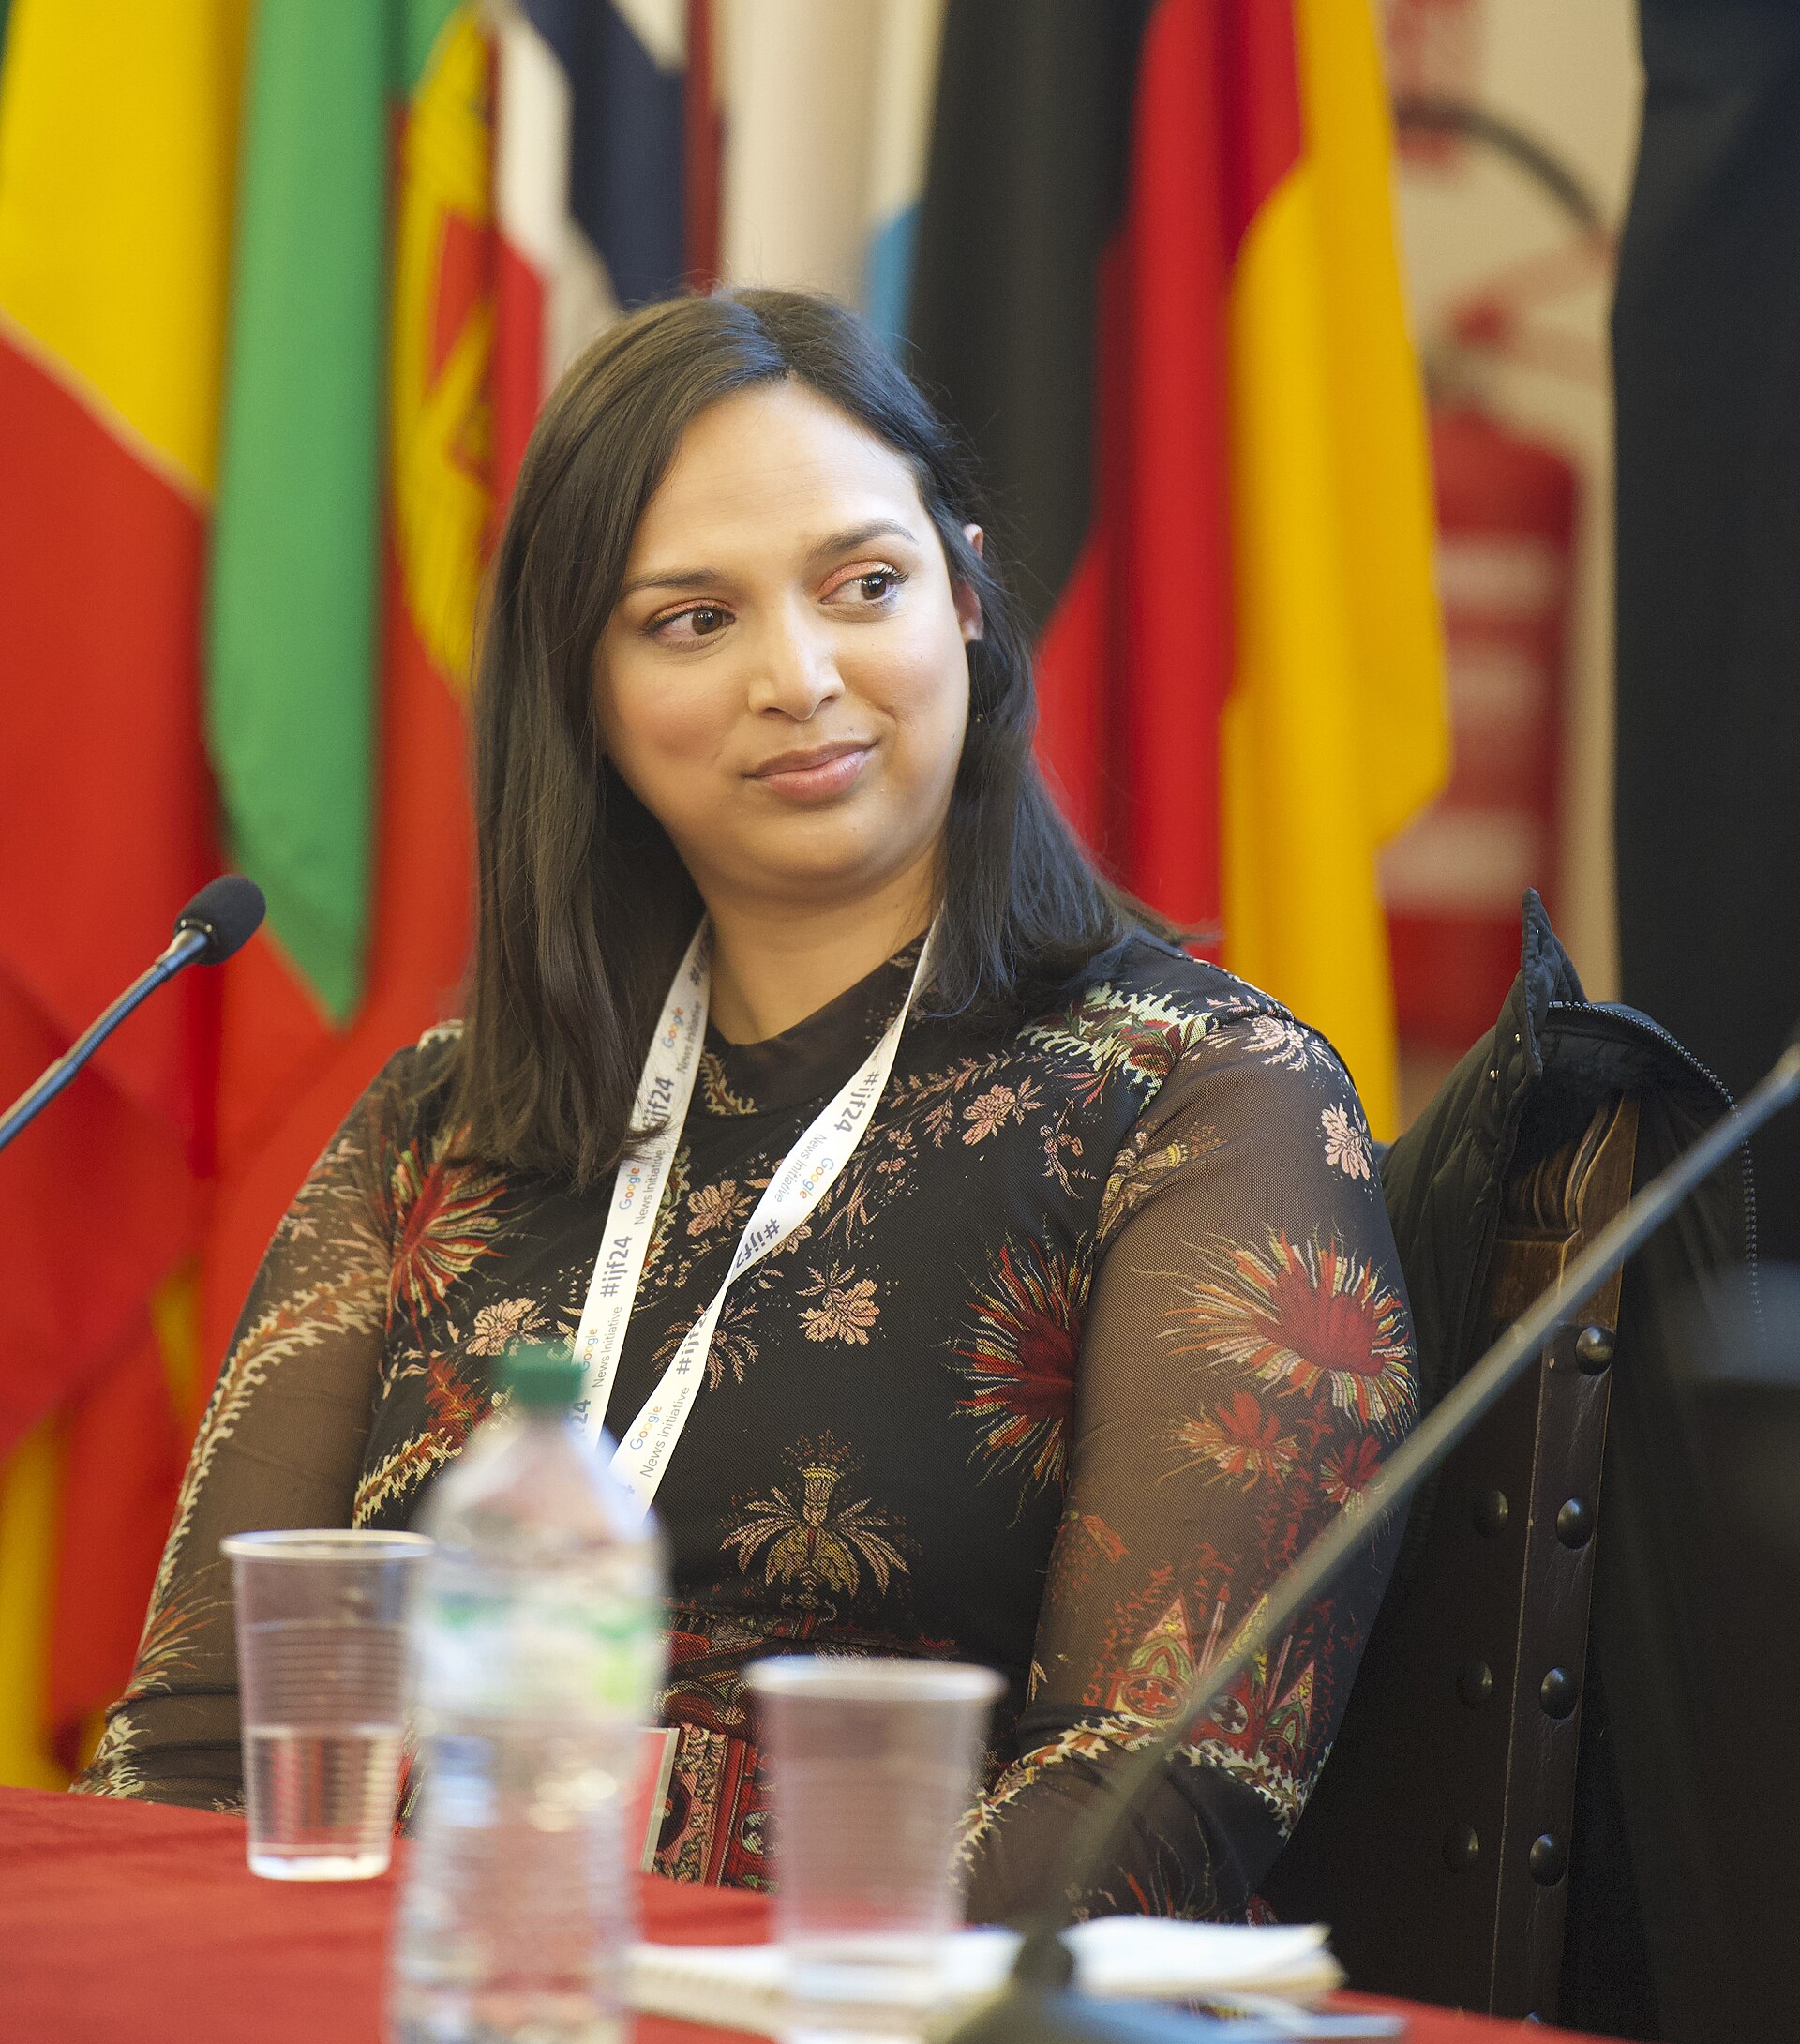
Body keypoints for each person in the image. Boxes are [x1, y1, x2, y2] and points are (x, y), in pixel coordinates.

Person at [81, 288, 1418, 1923]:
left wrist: (668, 1955)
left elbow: (1152, 1799)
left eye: (864, 585)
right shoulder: (445, 1121)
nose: (801, 676)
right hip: (413, 2023)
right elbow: (210, 1728)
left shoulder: (1201, 1102)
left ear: (967, 597)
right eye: (690, 620)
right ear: (585, 690)